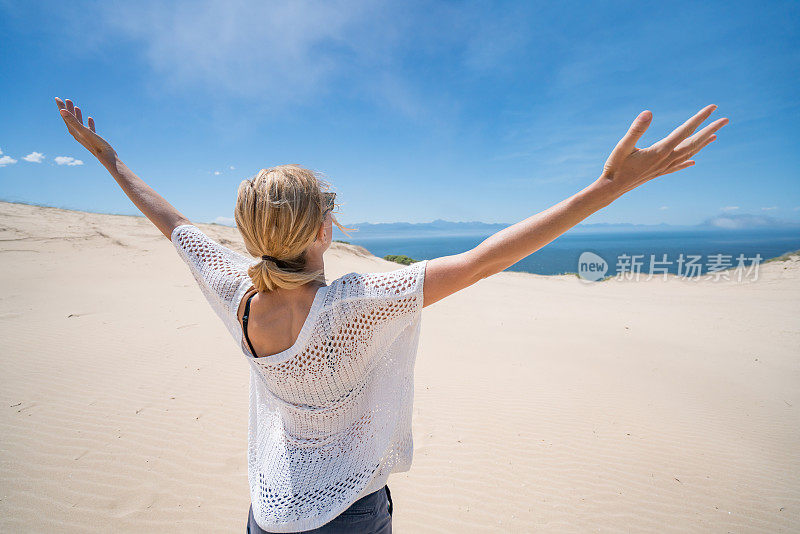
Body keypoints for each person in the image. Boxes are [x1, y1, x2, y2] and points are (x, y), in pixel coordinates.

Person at [55, 97, 727, 533]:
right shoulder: (357, 306)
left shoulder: (237, 293)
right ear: (322, 228)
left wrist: (108, 157)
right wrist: (609, 189)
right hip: (350, 512)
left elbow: (171, 223)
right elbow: (490, 256)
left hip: (268, 513)